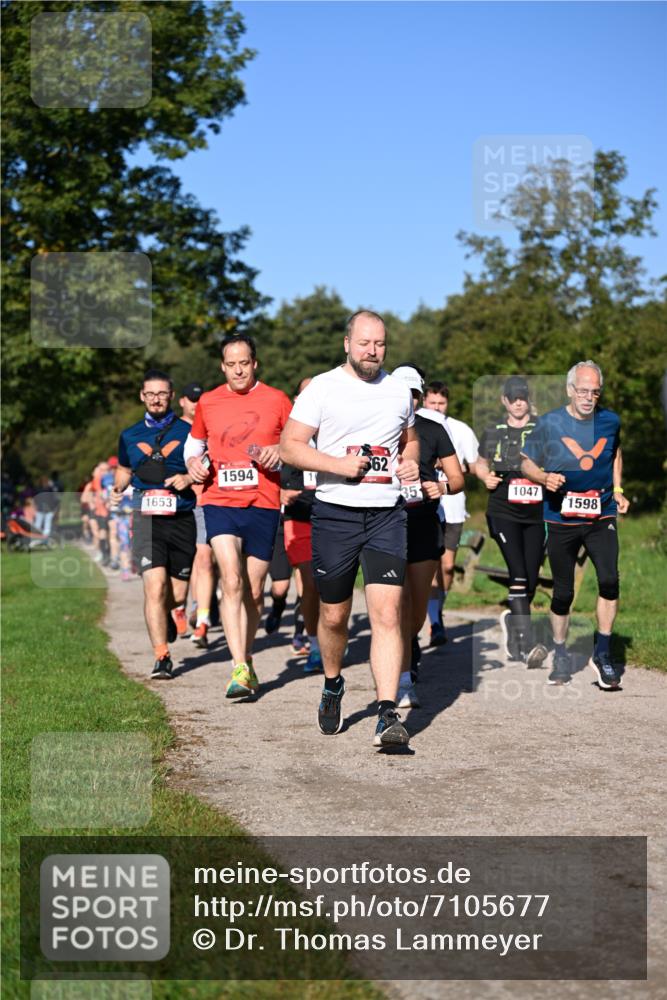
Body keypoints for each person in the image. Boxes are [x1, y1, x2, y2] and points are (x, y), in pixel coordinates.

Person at [280, 309, 420, 748]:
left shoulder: (399, 392)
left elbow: (409, 438)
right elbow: (290, 446)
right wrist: (337, 465)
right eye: (364, 343)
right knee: (334, 615)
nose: (372, 352)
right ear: (347, 343)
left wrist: (411, 459)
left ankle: (386, 713)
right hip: (335, 514)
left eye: (379, 344)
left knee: (386, 614)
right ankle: (333, 681)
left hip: (386, 514)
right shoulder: (322, 388)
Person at [185, 333, 293, 697]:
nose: (237, 371)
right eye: (230, 365)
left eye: (243, 363)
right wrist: (192, 464)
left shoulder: (277, 400)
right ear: (222, 366)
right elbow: (194, 443)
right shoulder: (209, 402)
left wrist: (279, 449)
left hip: (263, 501)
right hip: (219, 500)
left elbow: (300, 442)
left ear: (255, 363)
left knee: (255, 590)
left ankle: (246, 656)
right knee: (230, 579)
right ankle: (239, 667)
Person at [520, 361, 629, 689]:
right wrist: (544, 477)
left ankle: (604, 652)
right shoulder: (550, 422)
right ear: (570, 390)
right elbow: (526, 462)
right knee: (563, 592)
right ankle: (561, 651)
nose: (589, 397)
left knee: (609, 579)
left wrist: (619, 490)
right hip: (560, 517)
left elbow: (616, 452)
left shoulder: (610, 421)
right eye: (583, 390)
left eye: (595, 391)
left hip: (601, 514)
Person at [111, 369, 197, 679]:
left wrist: (187, 477)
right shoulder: (130, 435)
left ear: (171, 396)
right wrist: (118, 487)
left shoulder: (189, 432)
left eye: (161, 393)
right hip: (146, 520)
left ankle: (170, 614)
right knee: (154, 587)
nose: (156, 399)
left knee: (176, 593)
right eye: (150, 394)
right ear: (142, 396)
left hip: (182, 517)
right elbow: (123, 468)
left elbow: (204, 465)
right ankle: (162, 656)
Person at [390, 365, 464, 709]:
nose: (408, 399)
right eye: (402, 392)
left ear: (419, 396)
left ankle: (411, 643)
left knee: (417, 608)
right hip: (386, 522)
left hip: (423, 523)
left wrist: (442, 486)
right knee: (396, 605)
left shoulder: (434, 429)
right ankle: (402, 679)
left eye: (414, 394)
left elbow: (458, 478)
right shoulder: (380, 426)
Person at [476, 376, 549, 668]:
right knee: (518, 573)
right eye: (513, 397)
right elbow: (479, 462)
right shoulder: (493, 430)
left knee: (530, 579)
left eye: (523, 397)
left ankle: (513, 626)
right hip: (503, 511)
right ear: (504, 401)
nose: (519, 402)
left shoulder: (543, 428)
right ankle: (529, 641)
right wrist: (485, 476)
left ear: (528, 399)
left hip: (537, 513)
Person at [422, 381, 479, 644]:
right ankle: (434, 621)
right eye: (432, 403)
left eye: (441, 403)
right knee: (430, 566)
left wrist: (449, 465)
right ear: (424, 402)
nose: (436, 407)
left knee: (446, 567)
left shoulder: (459, 429)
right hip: (428, 509)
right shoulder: (416, 428)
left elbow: (473, 464)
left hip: (454, 508)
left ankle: (437, 611)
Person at [279, 376, 322, 673]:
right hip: (299, 518)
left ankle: (329, 634)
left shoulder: (336, 428)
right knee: (307, 580)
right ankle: (315, 646)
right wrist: (279, 491)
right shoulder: (285, 434)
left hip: (335, 515)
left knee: (331, 584)